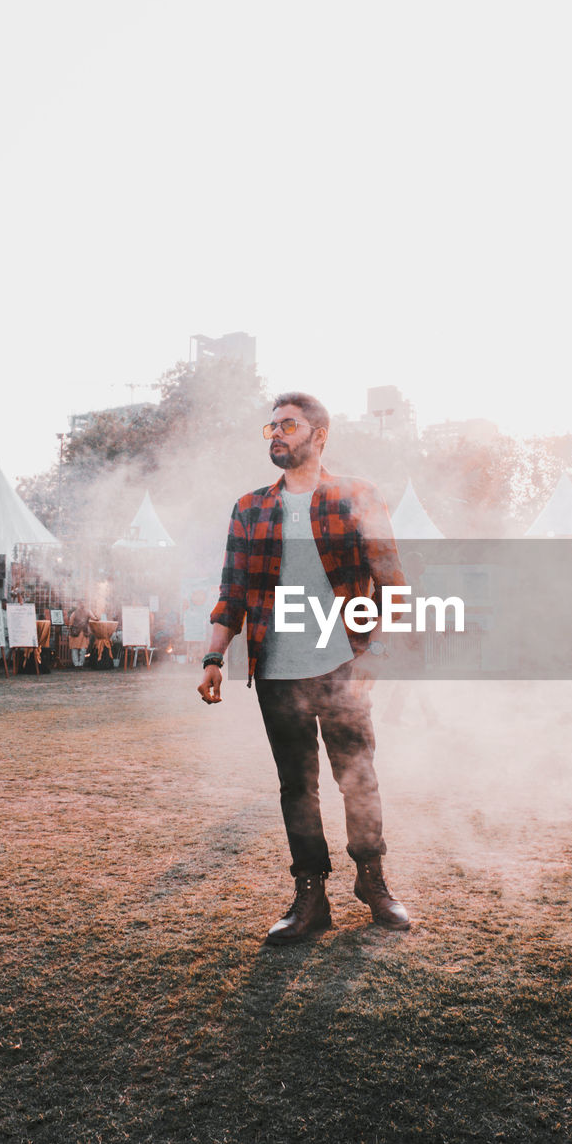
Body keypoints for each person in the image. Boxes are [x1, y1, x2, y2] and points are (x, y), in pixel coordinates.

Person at [198, 392, 411, 945]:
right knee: (297, 786)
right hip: (277, 670)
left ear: (319, 434)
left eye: (287, 425)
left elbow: (393, 587)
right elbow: (232, 592)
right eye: (270, 426)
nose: (275, 434)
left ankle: (373, 881)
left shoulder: (357, 496)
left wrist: (379, 655)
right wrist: (213, 656)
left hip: (343, 665)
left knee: (358, 780)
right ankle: (310, 897)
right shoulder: (250, 508)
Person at [68, 601, 93, 668]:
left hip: (84, 633)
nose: (82, 605)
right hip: (75, 633)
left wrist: (97, 617)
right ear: (78, 605)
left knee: (83, 649)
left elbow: (94, 618)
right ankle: (76, 664)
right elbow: (70, 622)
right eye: (81, 603)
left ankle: (80, 664)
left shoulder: (88, 612)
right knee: (74, 649)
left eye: (83, 603)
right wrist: (71, 630)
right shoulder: (74, 613)